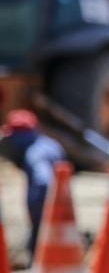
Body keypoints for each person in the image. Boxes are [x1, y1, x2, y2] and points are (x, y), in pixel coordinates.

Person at [0, 109, 67, 263]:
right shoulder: (51, 145)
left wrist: (36, 213)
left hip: (46, 216)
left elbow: (43, 182)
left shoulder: (33, 155)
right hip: (62, 211)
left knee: (40, 258)